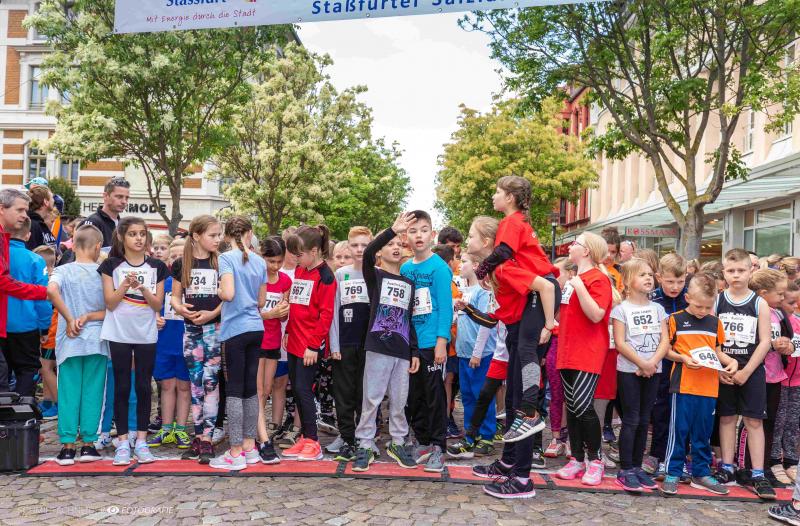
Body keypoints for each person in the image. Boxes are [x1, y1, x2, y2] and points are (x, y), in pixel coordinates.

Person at [461, 215, 558, 499]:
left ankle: (522, 478)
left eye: (471, 235)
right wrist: (471, 310)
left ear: (486, 242)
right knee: (514, 402)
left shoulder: (504, 268)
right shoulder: (495, 271)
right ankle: (509, 463)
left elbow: (547, 286)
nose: (467, 240)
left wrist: (549, 324)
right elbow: (498, 315)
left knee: (523, 407)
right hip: (515, 334)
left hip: (529, 332)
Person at [473, 176, 557, 440]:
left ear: (510, 197)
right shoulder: (519, 222)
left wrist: (482, 269)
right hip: (540, 288)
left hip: (542, 288)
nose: (493, 196)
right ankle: (527, 412)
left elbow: (504, 252)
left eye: (497, 192)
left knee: (526, 349)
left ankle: (530, 412)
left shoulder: (510, 222)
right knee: (523, 349)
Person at [352, 213, 420, 471]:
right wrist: (392, 230)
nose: (395, 247)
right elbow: (367, 253)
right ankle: (365, 443)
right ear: (381, 252)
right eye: (390, 244)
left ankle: (398, 442)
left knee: (399, 400)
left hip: (401, 351)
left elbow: (409, 318)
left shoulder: (409, 283)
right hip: (377, 347)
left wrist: (414, 350)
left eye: (399, 244)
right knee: (372, 398)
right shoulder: (375, 276)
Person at [660, 273, 738, 496]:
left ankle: (701, 473)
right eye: (699, 306)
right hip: (683, 385)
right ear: (688, 298)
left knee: (703, 433)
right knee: (679, 431)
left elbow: (717, 351)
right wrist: (683, 358)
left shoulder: (715, 322)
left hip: (709, 387)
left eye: (707, 306)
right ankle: (673, 472)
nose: (703, 311)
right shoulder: (674, 319)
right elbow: (666, 351)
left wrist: (731, 361)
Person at [99, 217, 167, 465]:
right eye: (132, 234)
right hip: (119, 332)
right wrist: (125, 285)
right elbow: (110, 303)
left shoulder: (157, 266)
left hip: (145, 334)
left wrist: (143, 288)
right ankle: (122, 441)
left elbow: (157, 305)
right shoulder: (111, 265)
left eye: (142, 234)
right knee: (122, 386)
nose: (138, 238)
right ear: (121, 237)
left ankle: (141, 440)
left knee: (143, 386)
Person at [714, 249, 775, 499]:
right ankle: (727, 466)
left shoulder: (759, 303)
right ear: (724, 273)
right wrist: (721, 366)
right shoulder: (718, 301)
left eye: (741, 270)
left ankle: (758, 473)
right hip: (725, 370)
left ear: (751, 271)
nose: (736, 275)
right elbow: (711, 339)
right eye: (731, 271)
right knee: (727, 418)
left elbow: (765, 341)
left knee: (754, 421)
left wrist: (747, 371)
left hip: (752, 370)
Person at [555, 232, 614, 486]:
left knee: (582, 405)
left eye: (575, 243)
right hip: (567, 349)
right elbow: (563, 317)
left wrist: (579, 287)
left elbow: (597, 314)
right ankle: (577, 458)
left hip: (588, 351)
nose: (570, 246)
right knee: (572, 407)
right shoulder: (574, 280)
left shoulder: (598, 279)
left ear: (586, 250)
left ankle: (596, 459)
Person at [47, 224, 108, 465]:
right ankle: (89, 444)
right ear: (98, 247)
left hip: (69, 342)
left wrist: (70, 318)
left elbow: (51, 291)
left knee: (68, 393)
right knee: (93, 392)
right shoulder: (103, 273)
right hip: (96, 340)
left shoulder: (62, 270)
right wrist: (87, 317)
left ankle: (67, 446)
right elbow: (111, 309)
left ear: (73, 245)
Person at [210, 217, 266, 471]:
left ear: (226, 235)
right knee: (250, 389)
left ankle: (235, 451)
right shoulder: (259, 261)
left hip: (235, 330)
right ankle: (249, 446)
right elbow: (262, 300)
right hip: (256, 327)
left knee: (234, 390)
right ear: (249, 233)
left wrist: (218, 290)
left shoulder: (226, 258)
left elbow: (229, 293)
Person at [611, 258, 670, 492]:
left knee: (645, 419)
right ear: (627, 281)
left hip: (653, 369)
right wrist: (641, 363)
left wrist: (652, 363)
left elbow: (665, 340)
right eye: (642, 274)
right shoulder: (621, 309)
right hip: (629, 370)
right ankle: (625, 468)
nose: (648, 278)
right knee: (631, 419)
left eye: (649, 274)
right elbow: (620, 342)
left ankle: (637, 466)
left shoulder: (658, 309)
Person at [170, 215, 224, 464]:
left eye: (219, 235)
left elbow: (229, 296)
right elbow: (175, 296)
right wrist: (180, 308)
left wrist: (212, 314)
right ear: (196, 236)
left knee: (211, 382)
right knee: (196, 383)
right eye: (213, 235)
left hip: (214, 329)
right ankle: (199, 433)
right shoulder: (182, 264)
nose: (217, 239)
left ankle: (208, 438)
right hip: (191, 330)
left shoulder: (221, 263)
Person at [402, 210, 453, 473]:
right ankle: (422, 441)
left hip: (433, 342)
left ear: (432, 234)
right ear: (406, 236)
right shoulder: (405, 268)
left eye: (423, 230)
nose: (418, 235)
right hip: (412, 344)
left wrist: (442, 341)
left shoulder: (440, 268)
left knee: (434, 395)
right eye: (413, 231)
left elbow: (445, 307)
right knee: (415, 395)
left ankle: (438, 446)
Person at [282, 225, 337, 462]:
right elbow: (296, 304)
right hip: (295, 339)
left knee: (305, 390)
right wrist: (288, 330)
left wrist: (314, 346)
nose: (296, 259)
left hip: (309, 346)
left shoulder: (326, 277)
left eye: (299, 254)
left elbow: (326, 316)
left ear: (314, 251)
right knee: (296, 389)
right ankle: (305, 437)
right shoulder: (301, 270)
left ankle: (313, 441)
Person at [329, 226, 373, 461]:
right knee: (344, 393)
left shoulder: (377, 274)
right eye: (355, 245)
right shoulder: (340, 274)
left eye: (364, 245)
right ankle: (346, 437)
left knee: (365, 394)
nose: (359, 250)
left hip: (370, 346)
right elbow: (334, 311)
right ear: (348, 246)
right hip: (345, 343)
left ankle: (366, 438)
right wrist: (334, 345)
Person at [0, 189, 48, 392]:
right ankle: (22, 409)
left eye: (25, 211)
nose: (24, 215)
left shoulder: (5, 242)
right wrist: (45, 325)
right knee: (26, 371)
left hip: (7, 325)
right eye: (20, 210)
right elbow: (3, 281)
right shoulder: (35, 259)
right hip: (25, 326)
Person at [147, 233, 191, 451]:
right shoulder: (162, 282)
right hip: (165, 340)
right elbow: (152, 306)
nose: (176, 260)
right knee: (166, 385)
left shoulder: (192, 283)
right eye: (173, 256)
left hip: (186, 340)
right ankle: (166, 427)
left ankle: (181, 427)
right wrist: (155, 317)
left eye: (180, 256)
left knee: (184, 386)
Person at [750, 269, 793, 485]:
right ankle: (748, 466)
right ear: (763, 293)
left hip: (775, 376)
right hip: (757, 375)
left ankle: (764, 467)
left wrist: (786, 344)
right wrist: (768, 345)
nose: (783, 298)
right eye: (780, 294)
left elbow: (788, 338)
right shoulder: (752, 312)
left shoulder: (778, 313)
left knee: (770, 423)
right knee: (753, 422)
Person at [649, 253, 689, 477]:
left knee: (682, 411)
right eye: (670, 281)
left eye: (680, 281)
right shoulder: (652, 299)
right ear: (659, 277)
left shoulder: (690, 298)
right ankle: (659, 455)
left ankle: (680, 457)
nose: (675, 287)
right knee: (661, 409)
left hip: (686, 363)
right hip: (661, 362)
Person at [452, 252, 497, 454]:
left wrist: (477, 353)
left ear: (476, 265)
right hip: (464, 353)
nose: (460, 265)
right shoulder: (465, 291)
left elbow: (485, 324)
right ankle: (471, 434)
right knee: (468, 396)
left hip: (480, 355)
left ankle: (487, 436)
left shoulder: (483, 292)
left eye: (464, 261)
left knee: (482, 395)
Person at [256, 236, 290, 464]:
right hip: (256, 340)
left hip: (273, 341)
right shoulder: (256, 278)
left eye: (279, 261)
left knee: (267, 390)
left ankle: (257, 430)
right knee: (258, 391)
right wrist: (269, 314)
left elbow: (283, 316)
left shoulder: (285, 280)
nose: (275, 266)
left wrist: (283, 311)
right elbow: (248, 311)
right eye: (271, 261)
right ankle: (261, 437)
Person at [544, 258, 576, 459]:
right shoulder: (551, 293)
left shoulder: (577, 291)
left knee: (574, 396)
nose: (554, 278)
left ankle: (573, 438)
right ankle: (556, 437)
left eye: (558, 273)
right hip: (555, 345)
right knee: (556, 393)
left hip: (574, 345)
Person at [771, 281, 800, 484]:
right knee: (778, 421)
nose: (795, 306)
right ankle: (774, 460)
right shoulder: (779, 322)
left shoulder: (797, 321)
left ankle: (791, 460)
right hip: (781, 379)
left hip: (797, 382)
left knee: (793, 422)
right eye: (791, 302)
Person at [34, 245, 58, 419]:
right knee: (45, 369)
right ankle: (48, 401)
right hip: (49, 331)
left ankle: (59, 404)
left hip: (51, 333)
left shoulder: (50, 282)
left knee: (46, 368)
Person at [82, 178, 130, 248]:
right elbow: (83, 251)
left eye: (127, 198)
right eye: (119, 197)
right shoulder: (93, 223)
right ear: (105, 196)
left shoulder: (123, 225)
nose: (124, 201)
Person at [26, 185, 57, 252]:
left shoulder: (41, 224)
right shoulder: (32, 225)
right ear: (46, 202)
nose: (54, 201)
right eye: (52, 198)